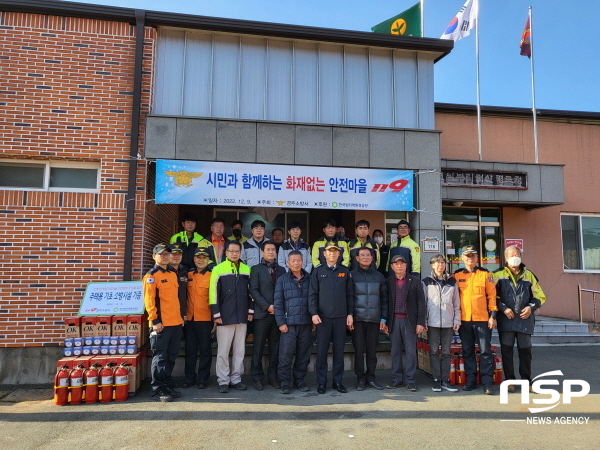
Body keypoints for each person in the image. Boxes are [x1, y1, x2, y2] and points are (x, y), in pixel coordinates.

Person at [493, 245, 546, 392]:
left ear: (521, 256)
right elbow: (492, 297)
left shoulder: (529, 275)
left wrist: (531, 307)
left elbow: (540, 296)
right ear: (506, 257)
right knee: (507, 351)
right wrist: (503, 308)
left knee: (525, 351)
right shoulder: (497, 275)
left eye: (517, 254)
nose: (515, 256)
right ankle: (509, 380)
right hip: (506, 319)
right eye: (512, 254)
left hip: (525, 319)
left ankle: (527, 381)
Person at [309, 241, 354, 394]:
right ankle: (321, 383)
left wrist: (350, 314)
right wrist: (313, 313)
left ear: (339, 254)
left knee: (339, 352)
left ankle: (337, 382)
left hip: (341, 318)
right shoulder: (317, 271)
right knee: (321, 352)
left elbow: (350, 295)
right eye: (329, 251)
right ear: (324, 254)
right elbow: (312, 294)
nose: (332, 254)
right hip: (323, 319)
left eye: (335, 251)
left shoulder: (345, 271)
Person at [209, 240, 253, 393]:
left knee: (240, 350)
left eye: (237, 251)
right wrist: (216, 314)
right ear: (226, 253)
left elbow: (251, 293)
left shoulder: (247, 269)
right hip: (224, 316)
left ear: (240, 253)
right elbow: (213, 293)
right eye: (231, 251)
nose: (234, 254)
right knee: (223, 351)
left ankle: (236, 379)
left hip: (242, 316)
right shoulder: (218, 269)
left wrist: (250, 311)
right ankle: (223, 381)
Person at [453, 245, 497, 395]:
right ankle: (471, 380)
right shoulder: (457, 275)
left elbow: (492, 296)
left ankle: (487, 382)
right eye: (467, 256)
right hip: (464, 320)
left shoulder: (486, 274)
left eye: (472, 256)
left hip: (482, 319)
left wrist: (493, 316)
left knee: (485, 351)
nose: (470, 258)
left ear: (477, 258)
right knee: (467, 351)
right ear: (462, 258)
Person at [143, 243, 184, 402]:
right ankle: (157, 389)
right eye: (162, 254)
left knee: (172, 356)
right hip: (161, 325)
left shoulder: (172, 273)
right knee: (160, 357)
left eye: (168, 254)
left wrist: (180, 319)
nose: (165, 256)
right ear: (154, 256)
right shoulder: (151, 276)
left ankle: (167, 383)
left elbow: (174, 300)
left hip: (175, 323)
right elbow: (149, 301)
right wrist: (155, 320)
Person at [274, 251, 313, 394]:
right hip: (288, 324)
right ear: (288, 263)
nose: (296, 263)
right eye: (293, 261)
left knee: (304, 354)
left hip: (306, 323)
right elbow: (278, 303)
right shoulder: (282, 279)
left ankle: (299, 380)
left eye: (298, 260)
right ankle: (284, 381)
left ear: (303, 262)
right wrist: (281, 322)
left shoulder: (309, 278)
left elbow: (314, 300)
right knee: (286, 354)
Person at [385, 254, 426, 392]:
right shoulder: (388, 282)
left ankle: (410, 380)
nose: (399, 266)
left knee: (410, 352)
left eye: (402, 263)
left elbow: (421, 303)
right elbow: (385, 303)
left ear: (406, 265)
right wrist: (384, 321)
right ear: (392, 266)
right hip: (394, 321)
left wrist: (420, 322)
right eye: (396, 263)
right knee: (395, 351)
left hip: (410, 321)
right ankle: (397, 379)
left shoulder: (415, 281)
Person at [249, 241, 286, 391]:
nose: (271, 252)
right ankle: (257, 377)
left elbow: (285, 290)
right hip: (262, 313)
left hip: (278, 315)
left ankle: (272, 377)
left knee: (275, 347)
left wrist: (278, 307)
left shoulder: (283, 270)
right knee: (258, 347)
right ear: (262, 252)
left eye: (273, 250)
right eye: (268, 250)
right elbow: (253, 290)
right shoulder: (256, 269)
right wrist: (267, 306)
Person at [350, 247, 388, 391]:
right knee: (359, 351)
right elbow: (349, 298)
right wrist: (350, 316)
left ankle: (371, 377)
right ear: (357, 258)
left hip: (374, 319)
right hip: (357, 320)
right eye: (362, 255)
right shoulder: (351, 275)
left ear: (372, 258)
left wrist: (383, 319)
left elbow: (384, 300)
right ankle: (360, 379)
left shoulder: (379, 276)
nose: (366, 257)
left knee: (372, 351)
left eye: (368, 255)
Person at [422, 254, 461, 393]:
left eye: (443, 262)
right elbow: (424, 303)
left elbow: (456, 303)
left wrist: (457, 320)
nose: (441, 265)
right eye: (438, 263)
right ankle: (436, 380)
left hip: (448, 322)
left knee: (446, 352)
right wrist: (424, 321)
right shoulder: (426, 281)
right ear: (432, 265)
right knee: (433, 351)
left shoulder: (452, 281)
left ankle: (445, 380)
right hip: (432, 323)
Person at [182, 247, 213, 390]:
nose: (200, 260)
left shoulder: (213, 275)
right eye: (198, 258)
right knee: (190, 350)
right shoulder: (187, 274)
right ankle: (189, 378)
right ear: (194, 259)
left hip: (206, 318)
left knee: (206, 350)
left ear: (208, 260)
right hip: (189, 319)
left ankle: (203, 379)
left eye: (204, 258)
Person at [168, 243, 189, 329]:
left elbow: (186, 295)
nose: (176, 256)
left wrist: (184, 313)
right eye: (173, 254)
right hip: (166, 317)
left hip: (181, 316)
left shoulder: (185, 271)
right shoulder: (162, 272)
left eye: (179, 254)